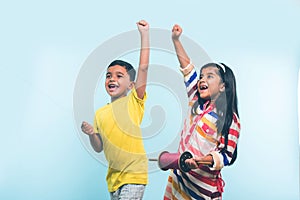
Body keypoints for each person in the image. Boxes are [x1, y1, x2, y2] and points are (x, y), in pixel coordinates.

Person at [163, 24, 241, 200]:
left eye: (209, 76)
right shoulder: (195, 102)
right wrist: (176, 40)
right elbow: (188, 69)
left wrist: (200, 161)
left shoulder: (230, 120)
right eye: (201, 76)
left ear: (223, 86)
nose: (201, 80)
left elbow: (225, 156)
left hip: (202, 191)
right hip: (178, 181)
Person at [81, 20, 150, 200]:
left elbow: (143, 67)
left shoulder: (134, 101)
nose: (112, 79)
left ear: (131, 85)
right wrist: (91, 134)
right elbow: (98, 147)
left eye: (119, 76)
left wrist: (144, 34)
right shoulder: (100, 114)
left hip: (134, 175)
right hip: (113, 180)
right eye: (109, 76)